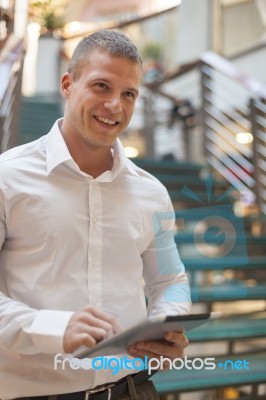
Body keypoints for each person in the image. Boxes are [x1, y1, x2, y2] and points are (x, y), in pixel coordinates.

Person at [0, 30, 191, 400]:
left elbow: (169, 280)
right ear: (68, 85)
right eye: (102, 86)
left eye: (128, 94)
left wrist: (167, 325)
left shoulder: (151, 191)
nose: (115, 105)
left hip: (132, 390)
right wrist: (53, 327)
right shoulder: (7, 178)